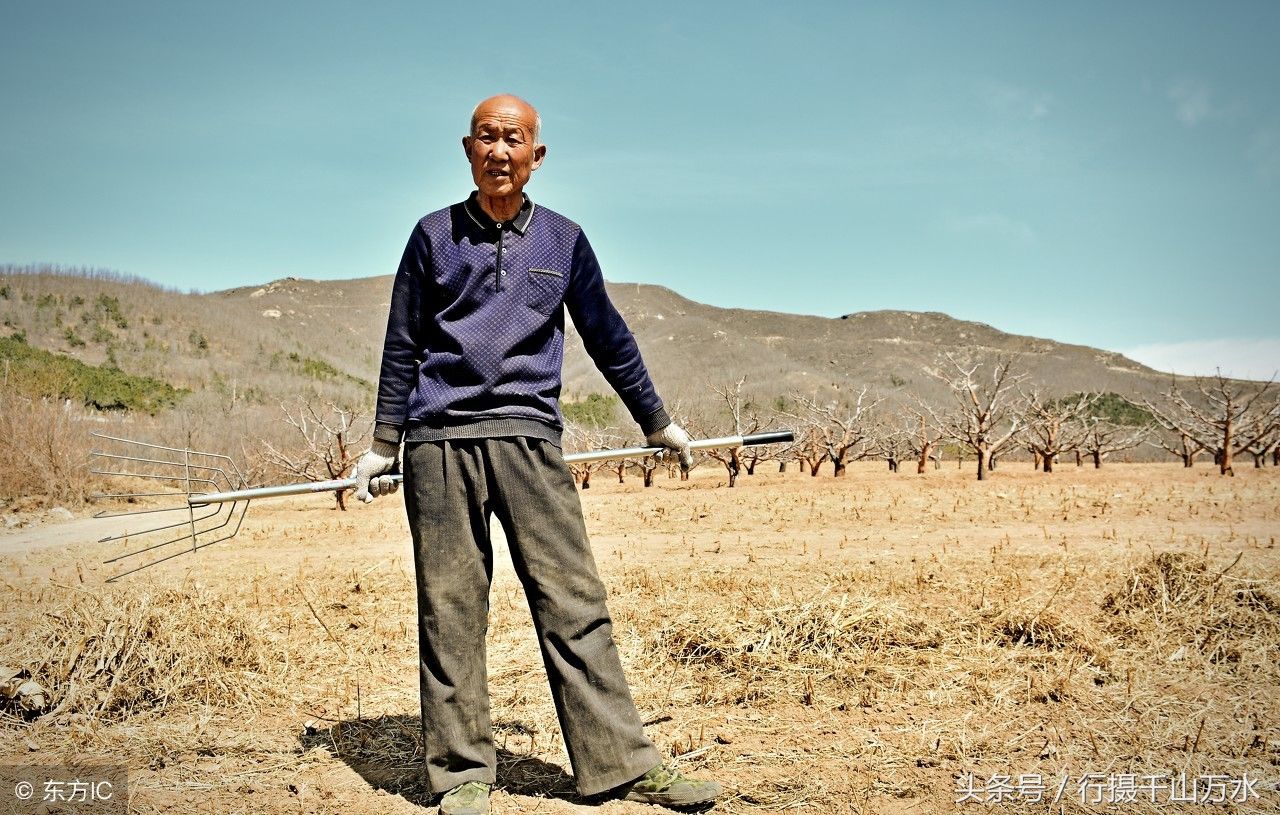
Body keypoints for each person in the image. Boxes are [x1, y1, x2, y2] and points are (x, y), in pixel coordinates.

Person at [352, 94, 723, 815]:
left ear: (536, 156)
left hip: (529, 438)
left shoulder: (564, 240)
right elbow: (402, 343)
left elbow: (608, 335)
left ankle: (621, 765)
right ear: (467, 149)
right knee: (451, 608)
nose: (499, 150)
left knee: (574, 602)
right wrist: (381, 444)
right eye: (487, 137)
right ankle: (462, 773)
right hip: (441, 441)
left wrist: (658, 422)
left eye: (514, 139)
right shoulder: (431, 236)